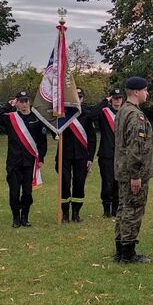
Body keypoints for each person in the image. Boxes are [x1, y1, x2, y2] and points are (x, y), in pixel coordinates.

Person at [113, 76, 153, 264]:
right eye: (146, 90)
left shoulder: (123, 111)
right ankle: (128, 254)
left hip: (123, 169)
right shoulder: (135, 115)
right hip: (132, 172)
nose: (147, 93)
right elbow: (136, 146)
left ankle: (120, 249)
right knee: (132, 210)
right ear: (137, 92)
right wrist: (136, 175)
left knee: (123, 209)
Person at [0, 91, 48, 228]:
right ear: (17, 103)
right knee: (14, 192)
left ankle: (25, 217)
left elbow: (42, 141)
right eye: (21, 101)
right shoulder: (11, 118)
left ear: (30, 102)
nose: (24, 104)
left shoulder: (36, 118)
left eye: (26, 101)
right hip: (14, 162)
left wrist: (41, 158)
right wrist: (7, 106)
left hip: (29, 163)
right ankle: (16, 218)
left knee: (27, 192)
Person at [55, 87, 97, 223]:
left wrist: (90, 157)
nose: (77, 100)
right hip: (64, 155)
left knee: (79, 185)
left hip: (82, 156)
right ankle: (65, 213)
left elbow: (92, 138)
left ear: (82, 99)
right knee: (65, 184)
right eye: (75, 97)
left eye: (79, 97)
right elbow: (54, 132)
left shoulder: (87, 115)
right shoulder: (62, 114)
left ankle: (76, 213)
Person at [92, 88, 124, 217]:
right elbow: (92, 115)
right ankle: (106, 210)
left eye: (119, 98)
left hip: (121, 154)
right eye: (115, 98)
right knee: (107, 182)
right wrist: (104, 101)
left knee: (118, 183)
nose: (117, 101)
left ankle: (116, 209)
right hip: (106, 154)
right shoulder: (104, 112)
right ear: (111, 99)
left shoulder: (125, 112)